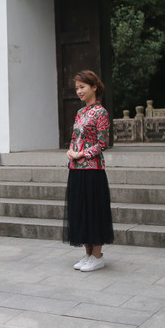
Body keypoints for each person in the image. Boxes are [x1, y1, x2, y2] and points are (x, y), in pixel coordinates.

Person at [63, 70, 114, 272]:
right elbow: (76, 138)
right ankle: (87, 253)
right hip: (76, 168)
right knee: (80, 210)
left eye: (82, 87)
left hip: (93, 169)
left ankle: (97, 255)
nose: (79, 91)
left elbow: (103, 142)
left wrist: (81, 153)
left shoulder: (101, 112)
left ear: (94, 87)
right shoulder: (80, 112)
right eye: (77, 88)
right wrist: (71, 151)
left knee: (94, 210)